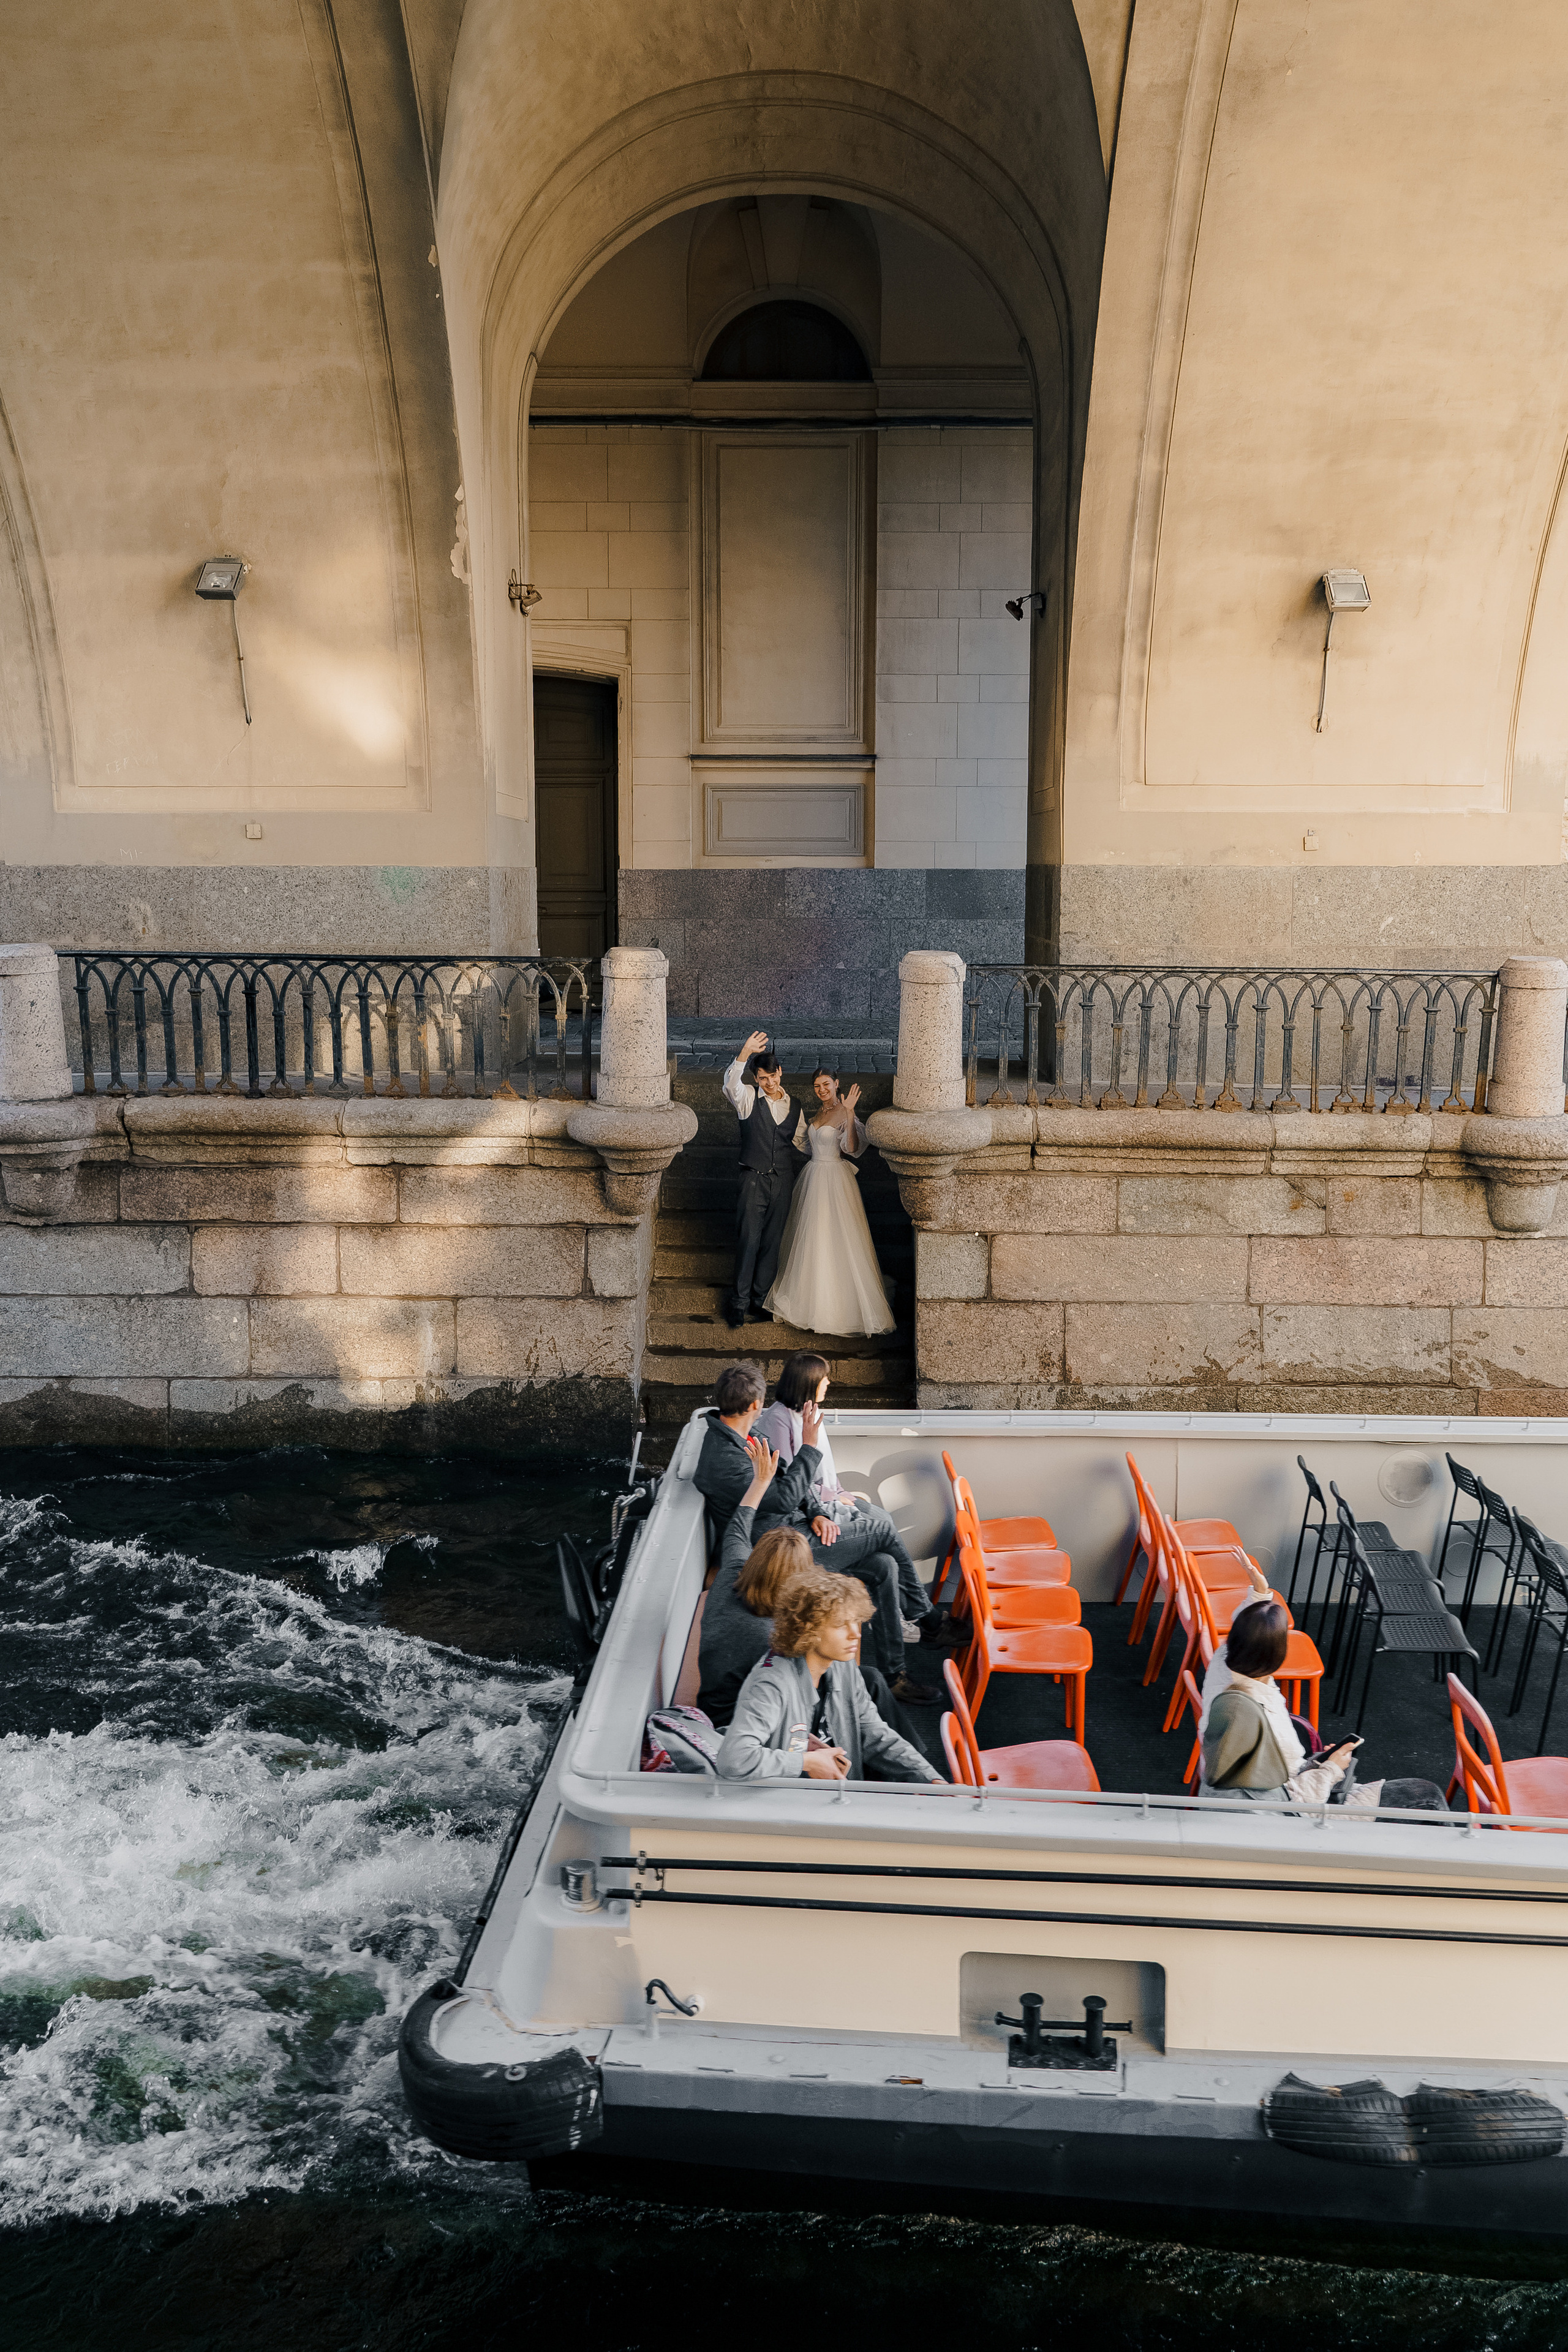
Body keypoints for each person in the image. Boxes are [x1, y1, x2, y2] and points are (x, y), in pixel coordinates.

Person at [692, 1360, 941, 1705]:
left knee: (884, 1565)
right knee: (882, 1525)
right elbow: (782, 1495)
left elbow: (790, 1480)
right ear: (755, 1405)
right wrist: (809, 1445)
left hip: (795, 1526)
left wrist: (818, 1512)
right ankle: (926, 1617)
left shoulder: (748, 1434)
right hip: (777, 1550)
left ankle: (892, 1674)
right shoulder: (724, 1459)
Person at [696, 1439, 925, 1753]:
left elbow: (740, 1521)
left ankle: (910, 1763)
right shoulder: (775, 1638)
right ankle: (904, 1771)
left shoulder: (733, 1571)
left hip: (726, 1699)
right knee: (863, 1684)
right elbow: (803, 1686)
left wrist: (762, 1480)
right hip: (744, 1721)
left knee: (869, 1680)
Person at [754, 1350, 959, 1649]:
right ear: (808, 1383)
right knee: (884, 1532)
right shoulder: (777, 1422)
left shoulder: (809, 1413)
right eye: (824, 1379)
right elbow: (790, 1483)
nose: (828, 1383)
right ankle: (921, 1614)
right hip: (809, 1514)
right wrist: (822, 1508)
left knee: (883, 1520)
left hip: (831, 1498)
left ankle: (908, 1614)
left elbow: (824, 1468)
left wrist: (842, 1494)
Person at [1200, 1600, 1447, 1812]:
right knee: (1429, 1797)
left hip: (1284, 1789)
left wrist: (1319, 1762)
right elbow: (1293, 1800)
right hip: (1298, 1812)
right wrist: (1331, 1768)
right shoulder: (1261, 1716)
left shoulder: (1225, 1676)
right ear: (1279, 1655)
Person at [717, 1569, 943, 1785]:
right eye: (841, 1625)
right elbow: (734, 1760)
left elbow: (873, 1731)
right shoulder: (771, 1684)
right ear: (809, 1630)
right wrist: (806, 1762)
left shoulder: (842, 1664)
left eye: (856, 1621)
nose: (856, 1633)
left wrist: (931, 1778)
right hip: (789, 1805)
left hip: (840, 1793)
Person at [765, 1067, 895, 1338]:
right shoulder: (817, 1114)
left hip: (834, 1178)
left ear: (837, 1084)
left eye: (826, 1084)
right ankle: (810, 1304)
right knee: (812, 1238)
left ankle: (838, 1309)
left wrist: (849, 1113)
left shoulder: (843, 1111)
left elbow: (851, 1148)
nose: (822, 1089)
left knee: (837, 1237)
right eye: (817, 1086)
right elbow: (805, 1144)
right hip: (813, 1176)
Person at [722, 1028, 808, 1329]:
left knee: (772, 1243)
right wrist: (745, 1053)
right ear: (756, 1079)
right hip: (753, 1180)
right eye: (763, 1079)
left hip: (782, 1182)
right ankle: (739, 1303)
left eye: (773, 1077)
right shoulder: (746, 1099)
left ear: (780, 1072)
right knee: (749, 1240)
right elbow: (731, 1084)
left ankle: (760, 1301)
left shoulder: (794, 1106)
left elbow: (804, 1143)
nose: (769, 1083)